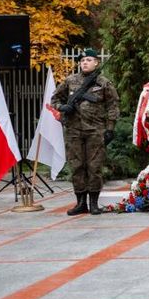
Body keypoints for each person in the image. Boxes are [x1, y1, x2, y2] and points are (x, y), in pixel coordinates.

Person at [52, 48, 119, 216]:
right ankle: (81, 203)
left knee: (94, 167)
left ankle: (94, 203)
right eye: (82, 61)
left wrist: (110, 128)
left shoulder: (103, 83)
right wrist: (62, 107)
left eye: (89, 60)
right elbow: (55, 98)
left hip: (95, 130)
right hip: (73, 131)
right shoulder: (70, 81)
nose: (85, 63)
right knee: (77, 166)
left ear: (96, 62)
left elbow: (113, 105)